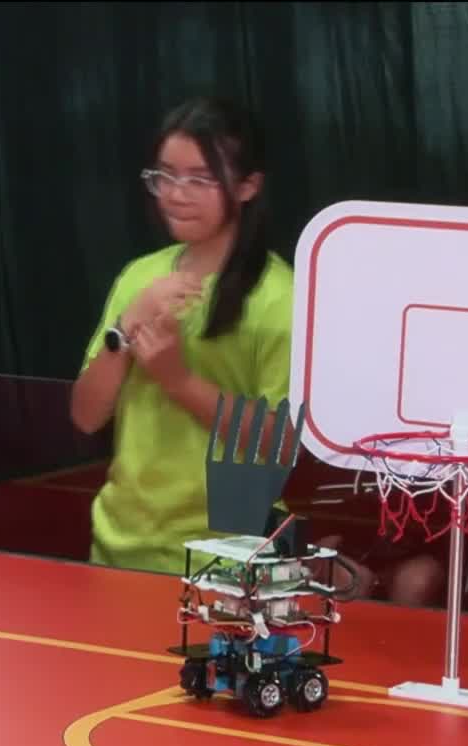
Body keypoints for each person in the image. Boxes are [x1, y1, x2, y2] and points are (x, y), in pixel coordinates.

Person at [68, 97, 294, 576]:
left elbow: (279, 444)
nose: (175, 194)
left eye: (200, 179)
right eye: (165, 176)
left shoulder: (280, 296)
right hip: (119, 544)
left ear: (248, 186)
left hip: (228, 559)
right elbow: (86, 416)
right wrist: (125, 326)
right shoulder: (139, 277)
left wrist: (179, 381)